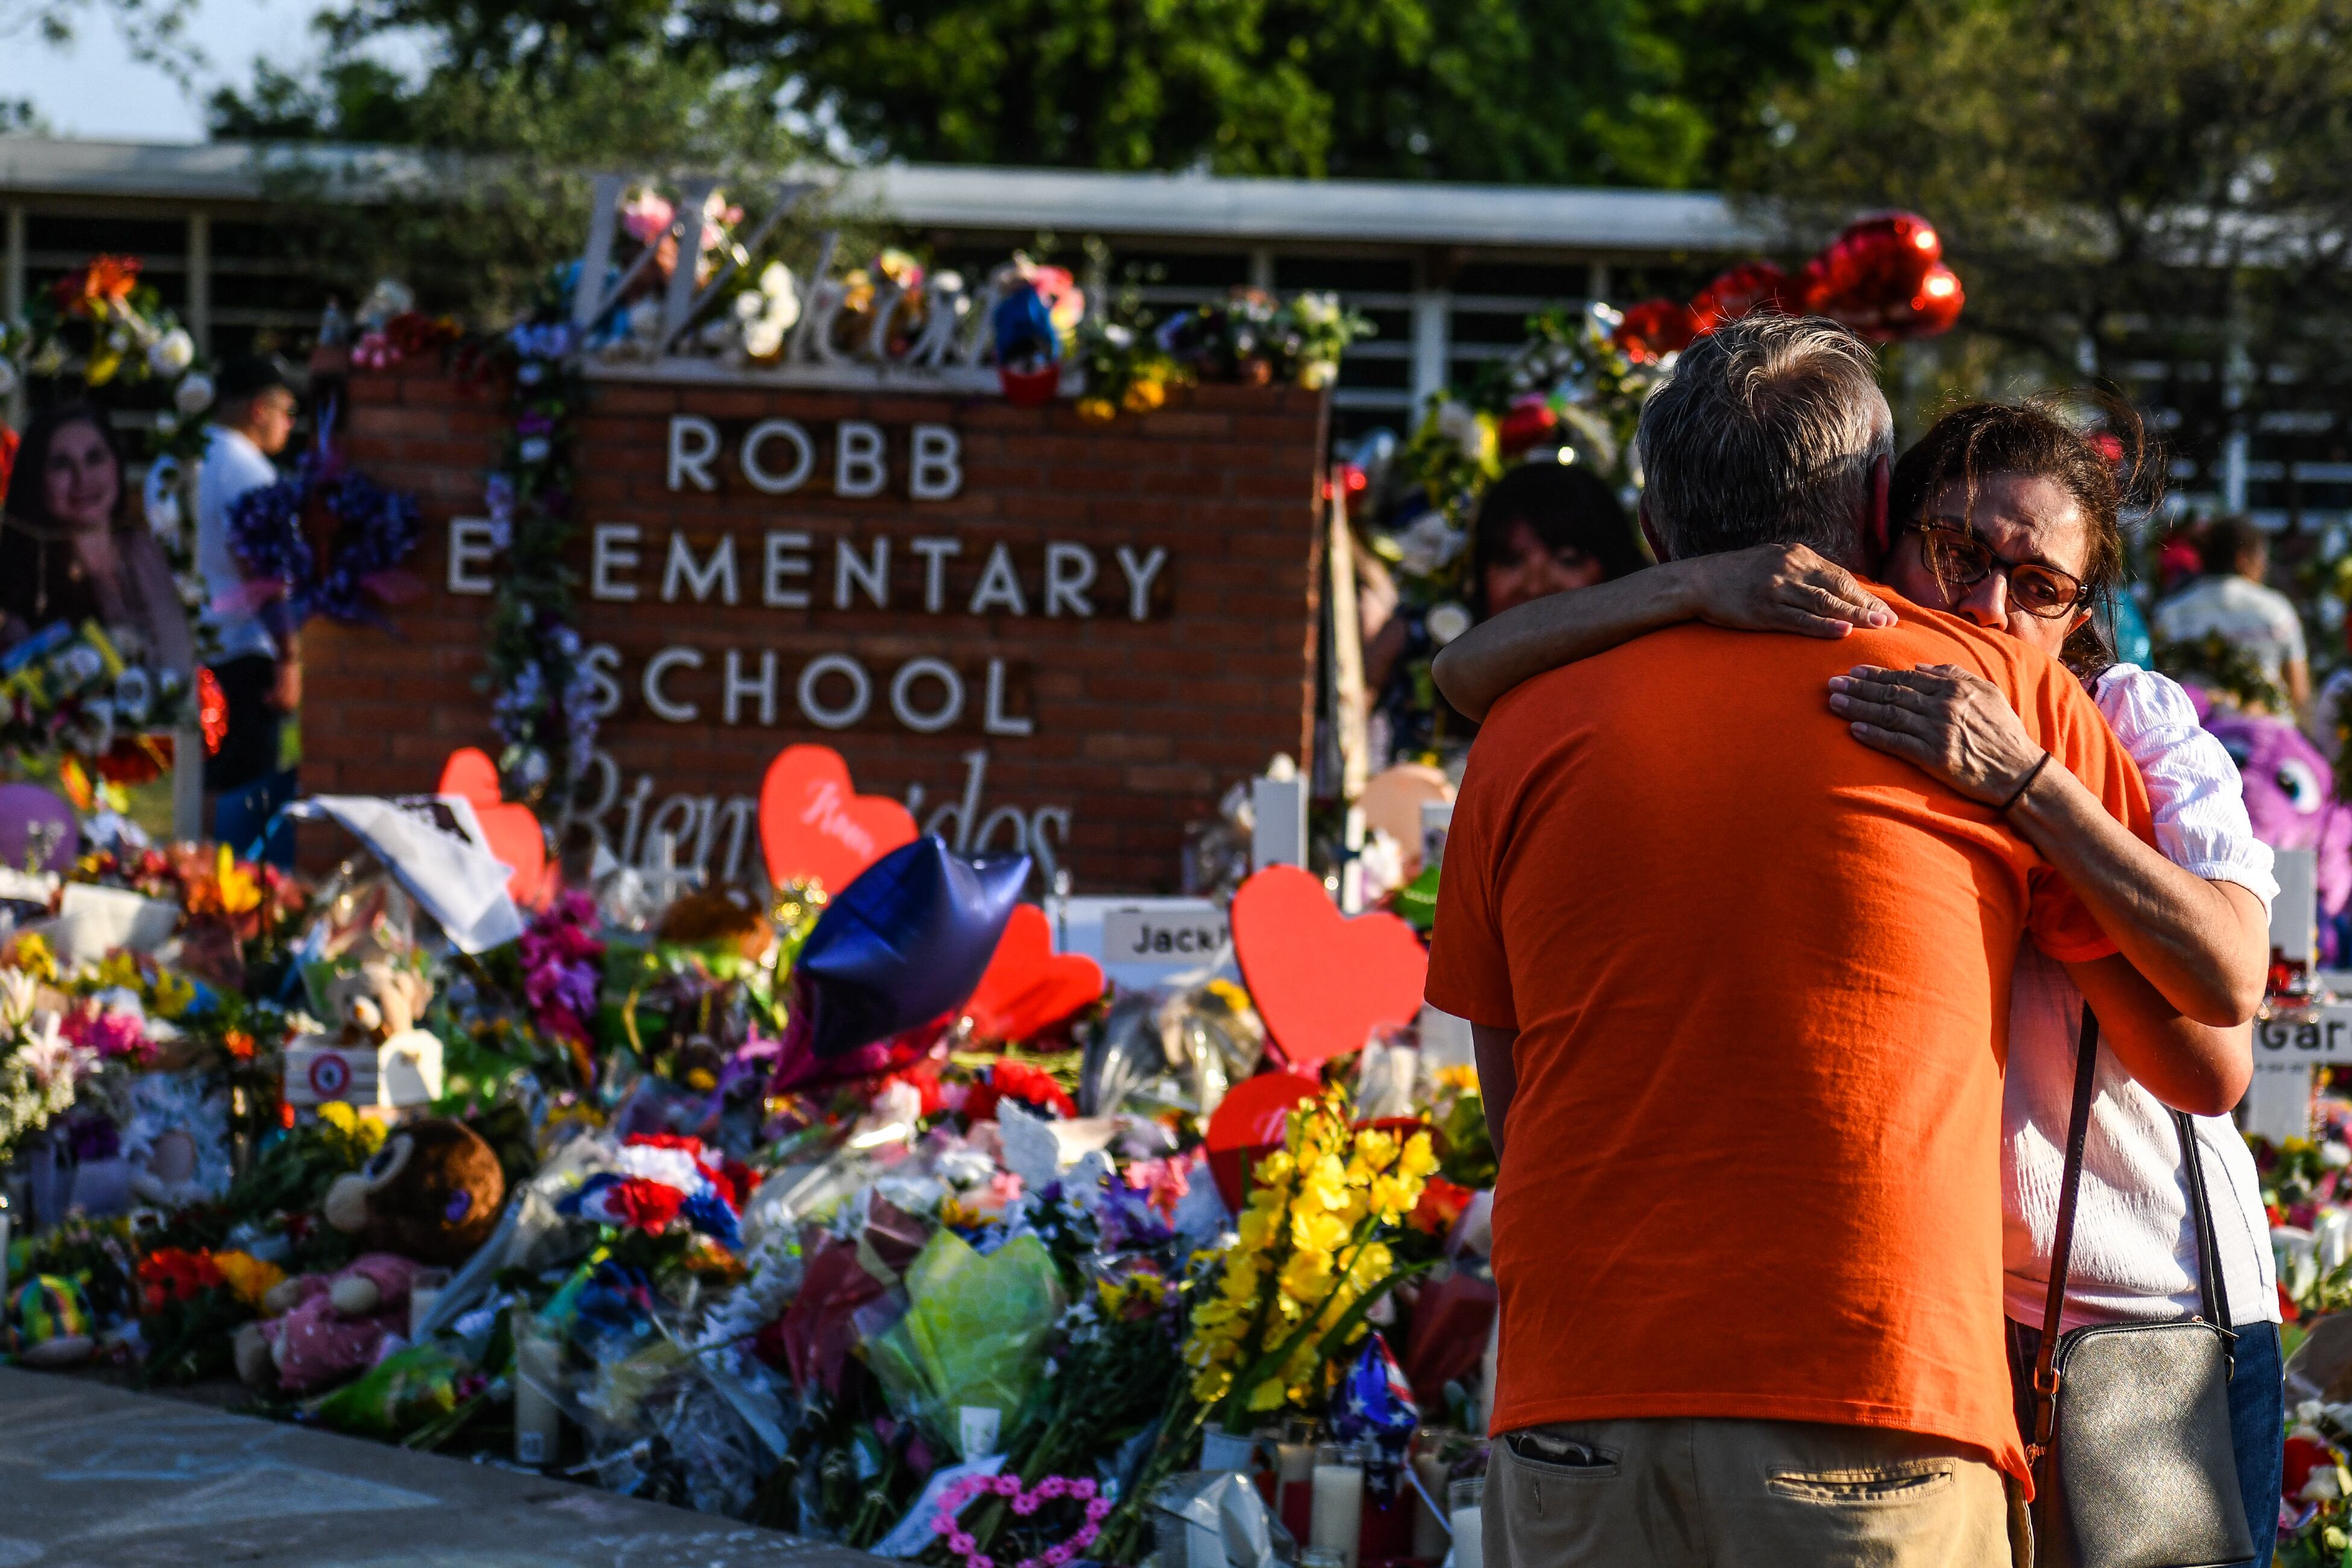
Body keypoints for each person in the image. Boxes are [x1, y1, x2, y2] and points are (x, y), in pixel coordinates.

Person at [1434, 396, 2282, 1564]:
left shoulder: (2094, 716)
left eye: (2038, 586)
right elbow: (1464, 668)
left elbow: (2215, 1043)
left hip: (2129, 1304)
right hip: (1946, 1312)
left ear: (2088, 607)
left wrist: (2029, 793)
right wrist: (1696, 587)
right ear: (1883, 524)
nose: (1989, 602)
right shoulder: (1896, 689)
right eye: (1956, 550)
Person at [0, 402, 194, 674]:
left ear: (116, 463)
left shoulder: (141, 551)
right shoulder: (19, 569)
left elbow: (177, 661)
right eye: (61, 464)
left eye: (94, 458)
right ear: (37, 477)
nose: (82, 479)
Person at [196, 353, 299, 812]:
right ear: (260, 409)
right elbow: (260, 568)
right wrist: (289, 655)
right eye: (288, 411)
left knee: (196, 786)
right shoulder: (248, 470)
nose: (290, 425)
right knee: (240, 796)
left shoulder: (177, 459)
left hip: (189, 644)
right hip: (243, 648)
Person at [2154, 514, 2309, 713]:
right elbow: (2299, 695)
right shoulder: (2276, 610)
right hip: (2266, 734)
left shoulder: (2170, 613)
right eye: (2262, 558)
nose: (2264, 568)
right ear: (2243, 559)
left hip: (2194, 733)